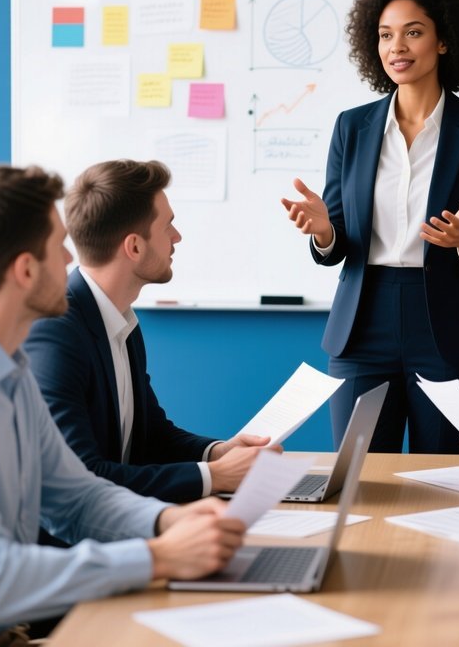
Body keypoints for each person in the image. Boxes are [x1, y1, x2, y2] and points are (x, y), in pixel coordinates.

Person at [0, 164, 244, 646]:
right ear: (26, 270)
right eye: (59, 248)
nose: (72, 259)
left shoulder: (11, 371)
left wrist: (167, 522)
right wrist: (158, 557)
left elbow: (76, 496)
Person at [281, 0, 459, 453]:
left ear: (444, 40)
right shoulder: (353, 127)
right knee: (358, 480)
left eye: (413, 31)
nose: (396, 46)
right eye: (386, 35)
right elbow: (335, 246)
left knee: (444, 482)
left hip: (448, 326)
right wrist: (325, 232)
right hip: (362, 325)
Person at [25, 160, 274, 504]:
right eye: (168, 226)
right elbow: (81, 476)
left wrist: (218, 452)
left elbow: (151, 437)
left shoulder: (121, 320)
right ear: (135, 247)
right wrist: (215, 476)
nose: (177, 237)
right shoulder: (57, 333)